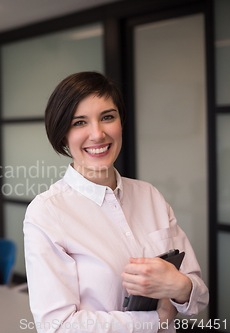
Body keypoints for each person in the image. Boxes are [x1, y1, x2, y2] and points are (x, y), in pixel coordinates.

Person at [23, 72, 209, 333]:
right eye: (79, 122)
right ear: (62, 135)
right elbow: (57, 326)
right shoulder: (47, 213)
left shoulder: (150, 196)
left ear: (121, 122)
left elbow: (198, 297)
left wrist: (179, 286)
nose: (97, 134)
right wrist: (156, 321)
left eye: (107, 117)